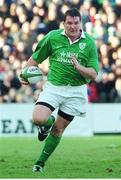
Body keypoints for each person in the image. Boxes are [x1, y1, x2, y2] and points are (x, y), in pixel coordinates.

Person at [20, 8, 99, 172]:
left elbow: (93, 74)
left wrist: (79, 67)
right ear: (63, 23)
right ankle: (46, 124)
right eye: (69, 23)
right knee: (38, 118)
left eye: (76, 22)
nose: (73, 26)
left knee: (58, 129)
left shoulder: (89, 43)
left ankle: (39, 163)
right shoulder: (52, 37)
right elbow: (35, 59)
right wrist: (24, 74)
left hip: (76, 92)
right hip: (54, 88)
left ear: (80, 23)